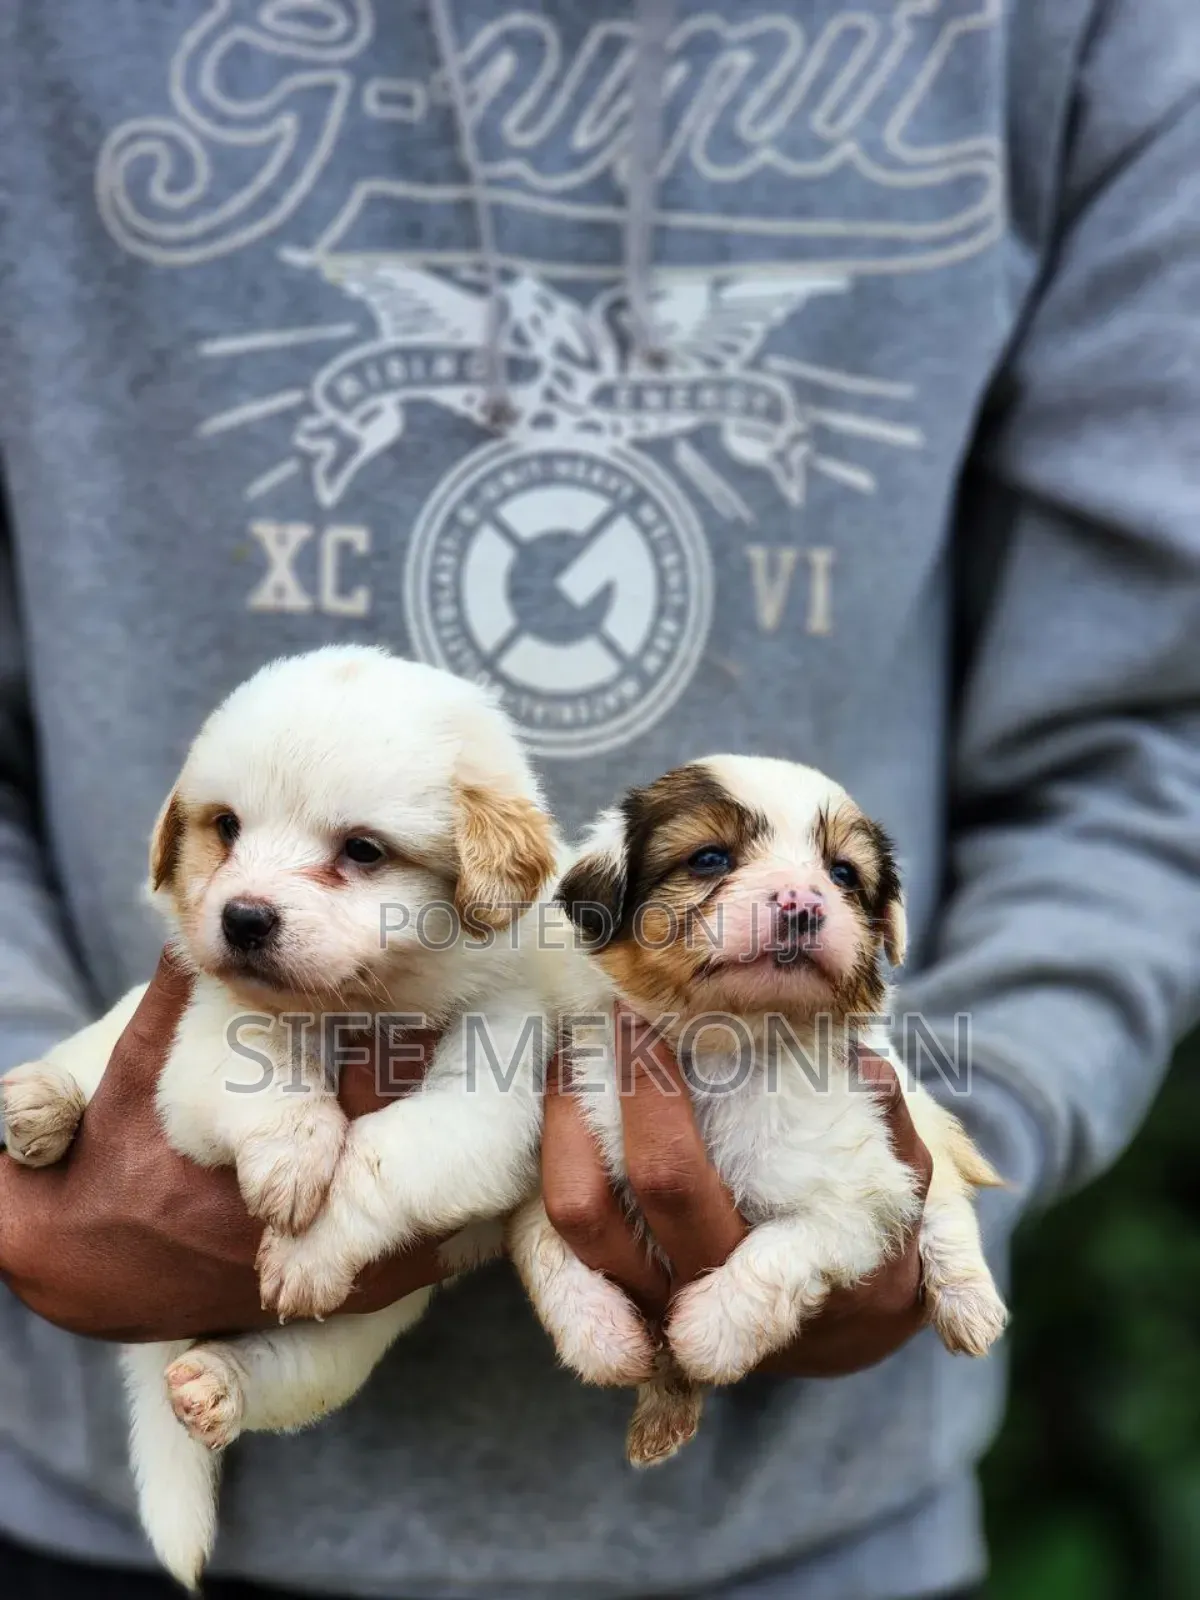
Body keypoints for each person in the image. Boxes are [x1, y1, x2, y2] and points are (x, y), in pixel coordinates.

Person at [0, 3, 1197, 1597]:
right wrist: (24, 1142)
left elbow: (1139, 730)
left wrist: (957, 1149)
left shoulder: (1081, 29)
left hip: (810, 1529)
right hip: (79, 1485)